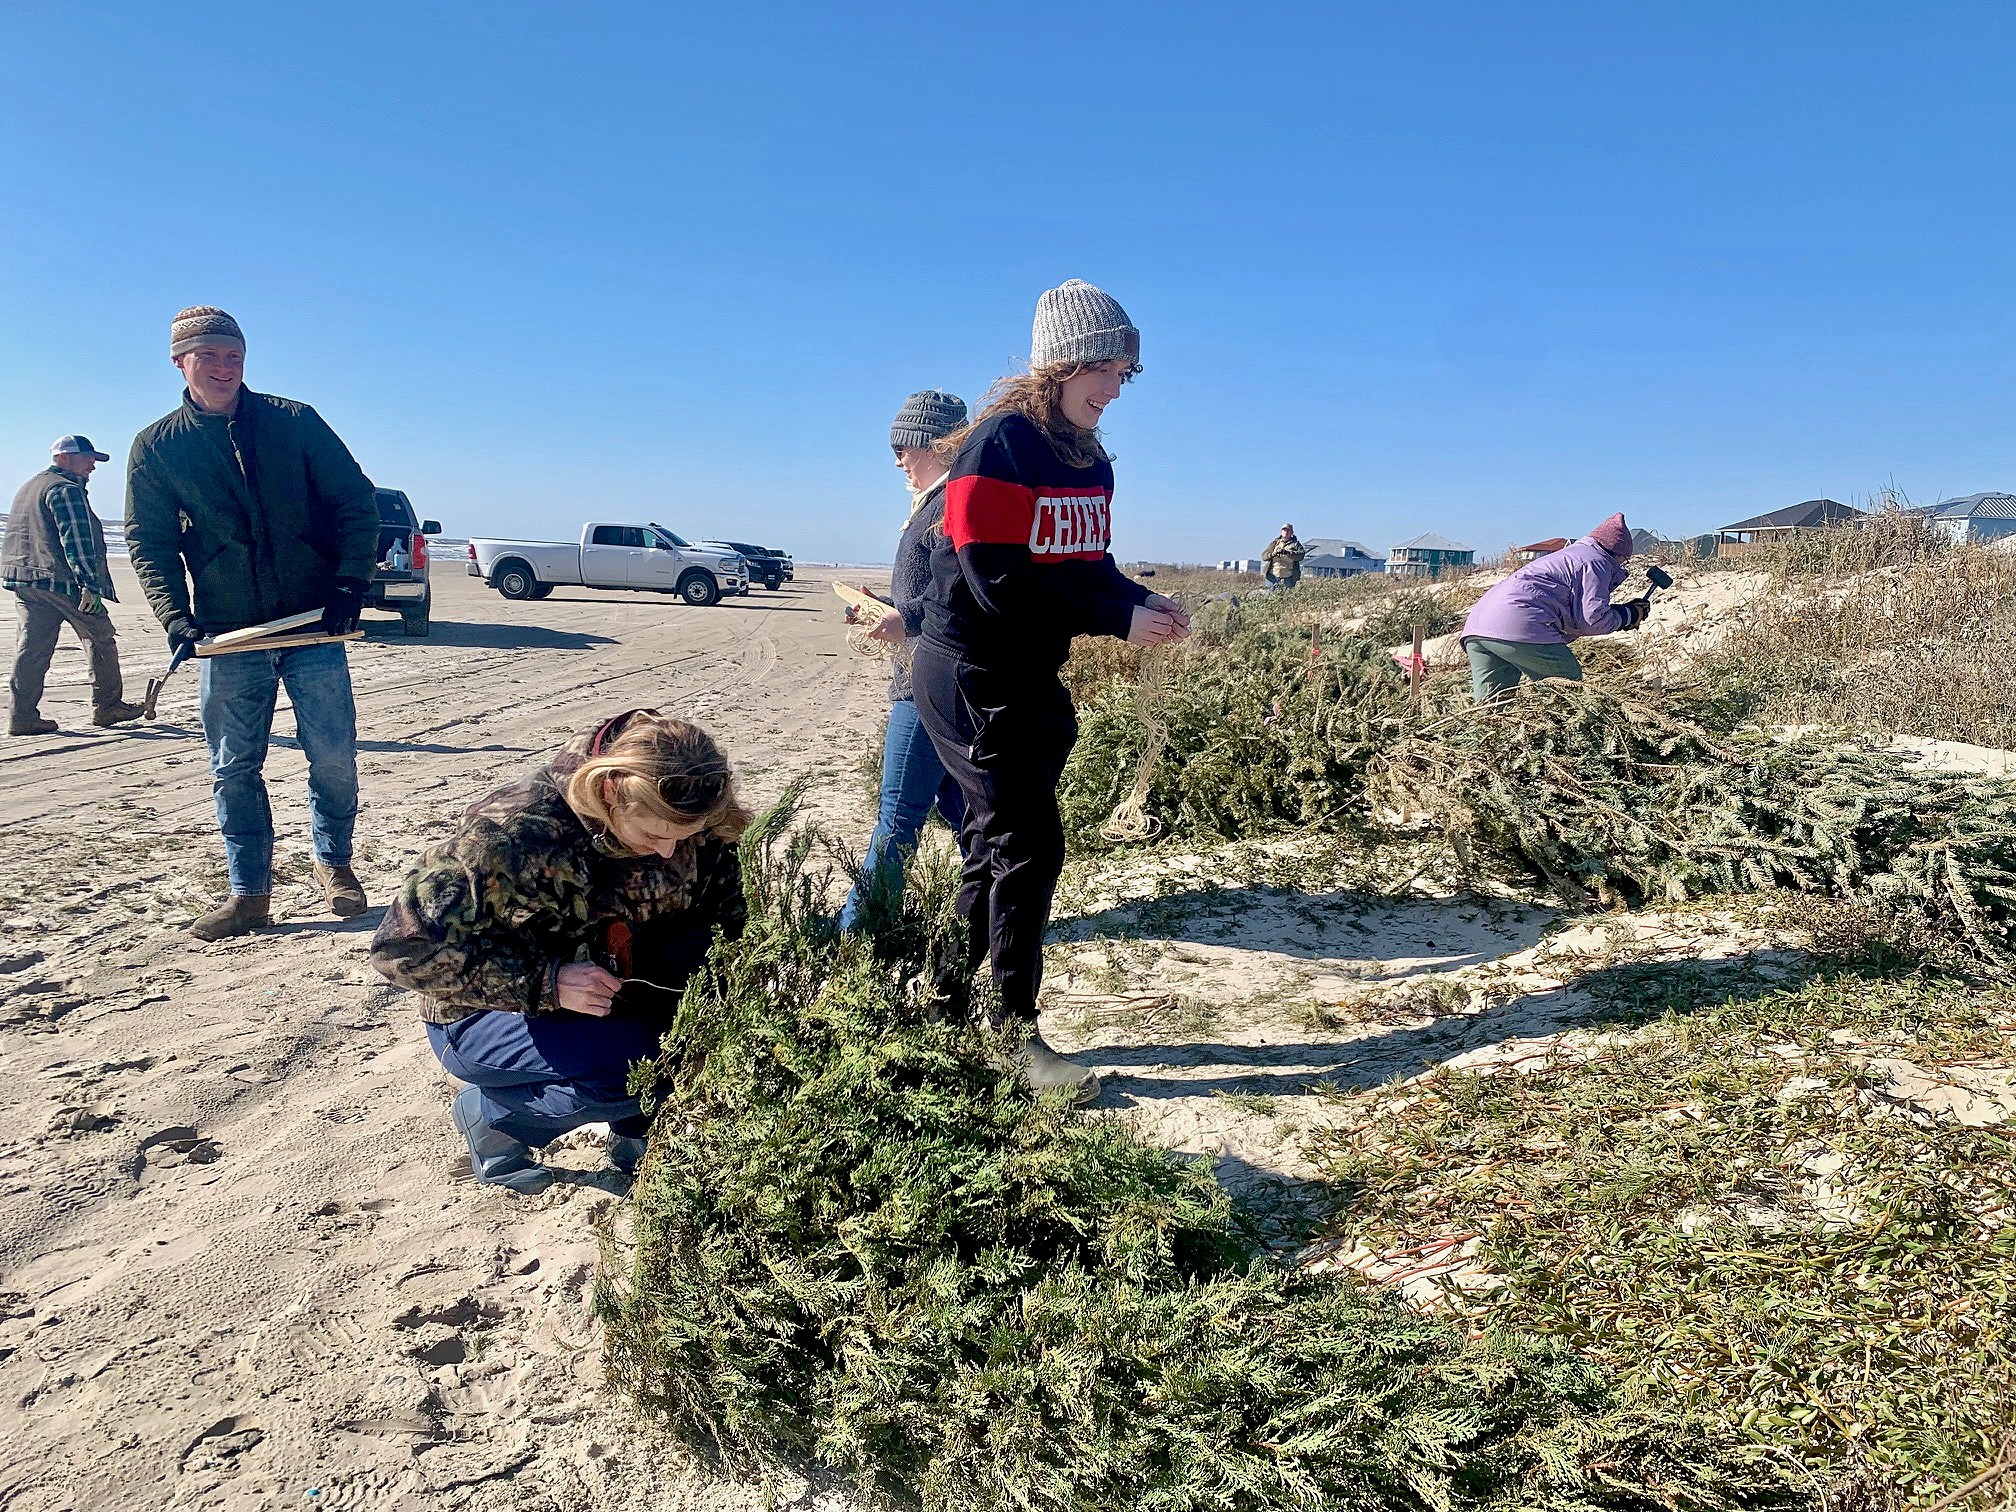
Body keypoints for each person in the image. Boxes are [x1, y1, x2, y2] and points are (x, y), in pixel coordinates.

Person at [912, 279, 1190, 1099]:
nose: (1112, 388)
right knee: (1029, 848)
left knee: (997, 848)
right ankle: (1009, 1037)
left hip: (1028, 671)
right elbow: (995, 578)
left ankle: (937, 1005)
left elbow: (1083, 562)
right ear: (1057, 365)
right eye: (1099, 368)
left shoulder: (1090, 459)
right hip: (969, 670)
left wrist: (1136, 598)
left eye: (1123, 374)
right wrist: (1113, 618)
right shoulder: (997, 446)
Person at [369, 710, 748, 1194]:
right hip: (483, 1011)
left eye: (684, 836)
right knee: (638, 1069)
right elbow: (400, 951)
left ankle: (638, 1136)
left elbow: (729, 925)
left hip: (619, 985)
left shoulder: (691, 807)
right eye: (654, 835)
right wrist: (544, 981)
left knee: (703, 1017)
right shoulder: (511, 833)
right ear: (611, 791)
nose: (671, 851)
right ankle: (494, 1117)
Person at [125, 307, 380, 941]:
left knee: (334, 756)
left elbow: (355, 500)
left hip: (313, 627)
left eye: (233, 354)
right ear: (180, 363)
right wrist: (174, 616)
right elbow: (149, 542)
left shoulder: (295, 422)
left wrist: (350, 581)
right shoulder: (158, 446)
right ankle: (250, 892)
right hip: (228, 634)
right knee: (234, 765)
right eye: (208, 355)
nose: (224, 366)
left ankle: (336, 864)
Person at [837, 390, 972, 931]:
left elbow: (962, 592)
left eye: (904, 446)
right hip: (938, 680)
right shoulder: (937, 502)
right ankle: (997, 903)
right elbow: (937, 591)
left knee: (896, 818)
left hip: (923, 689)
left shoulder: (949, 506)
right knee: (964, 814)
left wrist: (908, 620)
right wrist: (886, 608)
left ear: (936, 445)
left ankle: (857, 931)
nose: (897, 459)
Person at [5, 436, 142, 734]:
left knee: (32, 648)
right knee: (100, 636)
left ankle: (22, 716)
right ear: (64, 457)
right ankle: (108, 707)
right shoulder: (65, 490)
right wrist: (90, 585)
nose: (93, 465)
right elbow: (78, 543)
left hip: (26, 580)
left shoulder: (30, 486)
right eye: (88, 458)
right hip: (61, 581)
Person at [1459, 512, 1651, 702]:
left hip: (1477, 626)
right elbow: (1592, 620)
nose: (1623, 564)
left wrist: (1623, 612)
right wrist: (1629, 615)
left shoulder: (1570, 556)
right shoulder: (1596, 563)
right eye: (1624, 560)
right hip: (1520, 625)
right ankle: (1569, 733)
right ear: (1616, 553)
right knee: (1567, 685)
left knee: (1492, 708)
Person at [1261, 523, 1306, 590]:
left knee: (1286, 597)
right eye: (1284, 530)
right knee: (1270, 597)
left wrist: (1287, 553)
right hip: (1272, 576)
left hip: (1288, 577)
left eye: (1288, 530)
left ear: (1292, 533)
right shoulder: (1274, 543)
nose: (1286, 532)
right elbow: (1264, 556)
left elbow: (1300, 556)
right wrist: (1272, 554)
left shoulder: (1296, 545)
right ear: (1281, 532)